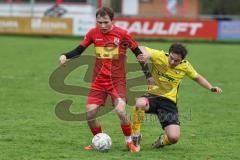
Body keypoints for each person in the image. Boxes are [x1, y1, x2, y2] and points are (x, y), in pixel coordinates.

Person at [59, 7, 154, 153]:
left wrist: (148, 76)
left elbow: (138, 54)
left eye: (105, 22)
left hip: (117, 81)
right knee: (90, 113)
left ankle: (129, 142)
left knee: (121, 111)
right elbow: (79, 50)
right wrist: (65, 55)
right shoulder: (92, 33)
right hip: (98, 81)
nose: (102, 26)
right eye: (99, 22)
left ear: (112, 20)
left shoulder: (122, 34)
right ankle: (98, 140)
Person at [131, 43, 222, 151]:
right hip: (152, 96)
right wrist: (144, 54)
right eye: (171, 58)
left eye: (176, 60)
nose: (172, 62)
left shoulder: (185, 66)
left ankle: (161, 141)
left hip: (168, 102)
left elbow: (197, 77)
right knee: (140, 103)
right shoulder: (160, 55)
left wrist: (211, 87)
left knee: (174, 138)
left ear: (182, 60)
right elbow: (140, 48)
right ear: (168, 54)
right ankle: (136, 137)